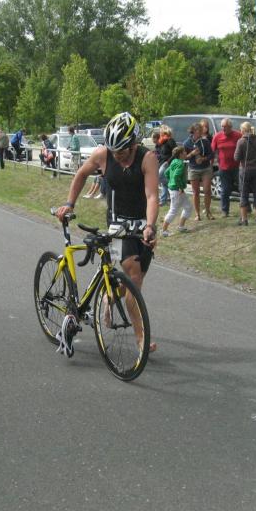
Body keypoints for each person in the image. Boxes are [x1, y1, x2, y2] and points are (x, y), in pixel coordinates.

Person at [55, 112, 159, 353]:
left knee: (133, 281)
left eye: (121, 151)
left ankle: (107, 297)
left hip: (142, 225)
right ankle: (141, 339)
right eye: (113, 150)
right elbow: (81, 174)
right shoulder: (103, 154)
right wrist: (70, 204)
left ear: (134, 143)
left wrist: (150, 226)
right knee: (134, 279)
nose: (117, 155)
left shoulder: (147, 158)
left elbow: (152, 196)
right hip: (117, 223)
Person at [234, 121, 256, 225]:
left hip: (245, 170)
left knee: (244, 194)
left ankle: (244, 220)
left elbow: (236, 158)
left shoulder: (241, 141)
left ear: (243, 130)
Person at [211, 118, 242, 218]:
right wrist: (211, 164)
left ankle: (246, 208)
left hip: (237, 167)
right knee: (225, 189)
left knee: (242, 188)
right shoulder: (217, 136)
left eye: (225, 127)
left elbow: (243, 148)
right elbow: (212, 151)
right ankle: (225, 211)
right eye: (222, 126)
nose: (223, 129)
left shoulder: (238, 135)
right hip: (223, 167)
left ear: (230, 127)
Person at [185, 122, 214, 221]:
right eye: (199, 131)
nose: (201, 132)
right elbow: (184, 157)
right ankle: (197, 214)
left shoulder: (205, 142)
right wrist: (192, 154)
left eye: (201, 131)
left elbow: (211, 154)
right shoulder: (187, 143)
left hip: (205, 168)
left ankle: (208, 212)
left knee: (207, 190)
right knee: (196, 192)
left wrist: (203, 159)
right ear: (193, 131)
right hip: (193, 169)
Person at [161, 146, 192, 237]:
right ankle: (164, 231)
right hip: (177, 190)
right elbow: (176, 176)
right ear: (180, 154)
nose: (186, 153)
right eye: (184, 151)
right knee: (173, 210)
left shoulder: (174, 161)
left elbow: (166, 172)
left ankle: (181, 226)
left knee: (188, 207)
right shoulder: (180, 164)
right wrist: (180, 187)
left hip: (175, 189)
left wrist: (171, 182)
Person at [156, 125, 176, 206]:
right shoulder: (161, 141)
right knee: (164, 183)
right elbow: (159, 152)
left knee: (159, 177)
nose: (159, 133)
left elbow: (175, 152)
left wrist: (168, 161)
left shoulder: (170, 140)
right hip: (161, 163)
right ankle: (164, 200)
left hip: (168, 163)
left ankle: (173, 186)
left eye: (160, 131)